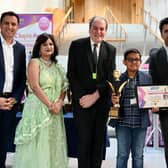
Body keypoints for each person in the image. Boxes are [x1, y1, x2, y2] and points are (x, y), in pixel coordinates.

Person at [67, 16, 116, 168]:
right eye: (95, 28)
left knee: (98, 142)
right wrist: (83, 97)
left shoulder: (110, 49)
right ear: (89, 29)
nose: (98, 31)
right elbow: (72, 74)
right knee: (84, 141)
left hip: (101, 103)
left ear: (106, 31)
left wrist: (95, 96)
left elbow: (109, 78)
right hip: (82, 103)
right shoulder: (76, 45)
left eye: (102, 29)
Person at [13, 33, 68, 168]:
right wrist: (50, 105)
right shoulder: (34, 63)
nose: (48, 47)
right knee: (37, 144)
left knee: (51, 145)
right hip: (38, 107)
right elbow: (34, 86)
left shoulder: (57, 66)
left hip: (55, 111)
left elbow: (64, 87)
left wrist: (59, 103)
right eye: (44, 44)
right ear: (39, 47)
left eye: (50, 44)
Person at [111, 48, 152, 168]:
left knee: (138, 155)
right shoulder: (118, 79)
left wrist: (155, 105)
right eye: (130, 59)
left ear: (140, 61)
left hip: (140, 124)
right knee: (122, 155)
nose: (134, 62)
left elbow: (152, 96)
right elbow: (110, 98)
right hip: (122, 123)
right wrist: (112, 100)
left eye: (137, 59)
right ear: (124, 62)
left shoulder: (147, 78)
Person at [0, 11, 26, 168]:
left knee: (3, 142)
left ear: (17, 27)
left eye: (13, 24)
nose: (10, 27)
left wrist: (15, 98)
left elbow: (21, 78)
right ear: (1, 25)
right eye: (6, 23)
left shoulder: (20, 49)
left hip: (10, 104)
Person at [149, 17, 168, 167]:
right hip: (165, 109)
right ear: (161, 34)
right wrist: (154, 103)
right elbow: (153, 83)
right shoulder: (155, 56)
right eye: (166, 31)